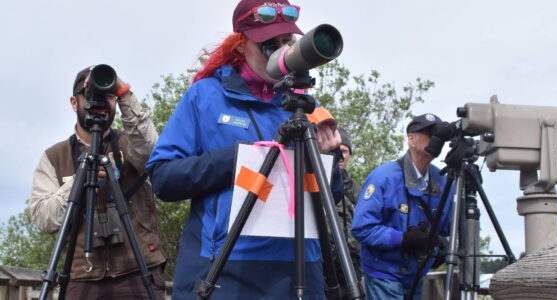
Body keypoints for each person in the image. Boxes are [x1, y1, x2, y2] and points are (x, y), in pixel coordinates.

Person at [145, 0, 343, 298]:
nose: (280, 51)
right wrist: (238, 159)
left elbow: (330, 198)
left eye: (287, 42)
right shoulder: (205, 96)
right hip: (227, 269)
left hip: (301, 269)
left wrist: (330, 162)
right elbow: (164, 178)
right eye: (268, 44)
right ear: (240, 46)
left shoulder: (302, 107)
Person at [29, 66, 166, 299]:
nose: (102, 102)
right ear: (74, 103)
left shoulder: (130, 143)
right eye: (92, 96)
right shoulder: (54, 157)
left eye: (109, 96)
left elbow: (155, 154)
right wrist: (77, 184)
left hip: (138, 270)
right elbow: (43, 218)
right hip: (83, 278)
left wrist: (124, 93)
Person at [351, 113, 453, 300]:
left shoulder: (443, 179)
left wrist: (438, 245)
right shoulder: (384, 176)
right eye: (430, 133)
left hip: (417, 272)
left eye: (439, 134)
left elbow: (447, 228)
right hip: (384, 272)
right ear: (411, 139)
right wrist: (403, 238)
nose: (436, 139)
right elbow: (362, 228)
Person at [332, 127, 363, 299]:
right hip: (325, 266)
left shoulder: (357, 190)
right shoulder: (317, 182)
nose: (341, 156)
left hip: (352, 266)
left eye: (345, 151)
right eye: (337, 151)